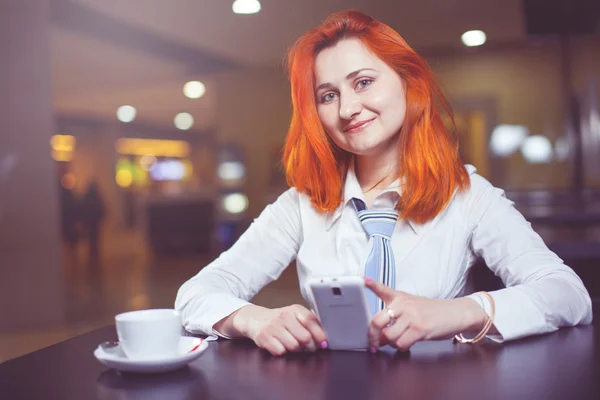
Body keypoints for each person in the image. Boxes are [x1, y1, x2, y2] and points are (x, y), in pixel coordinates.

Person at [175, 10, 592, 356]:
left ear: (408, 83)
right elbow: (195, 295)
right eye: (328, 95)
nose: (348, 108)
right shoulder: (300, 205)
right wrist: (253, 319)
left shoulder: (468, 195)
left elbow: (568, 294)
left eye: (363, 82)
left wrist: (459, 312)